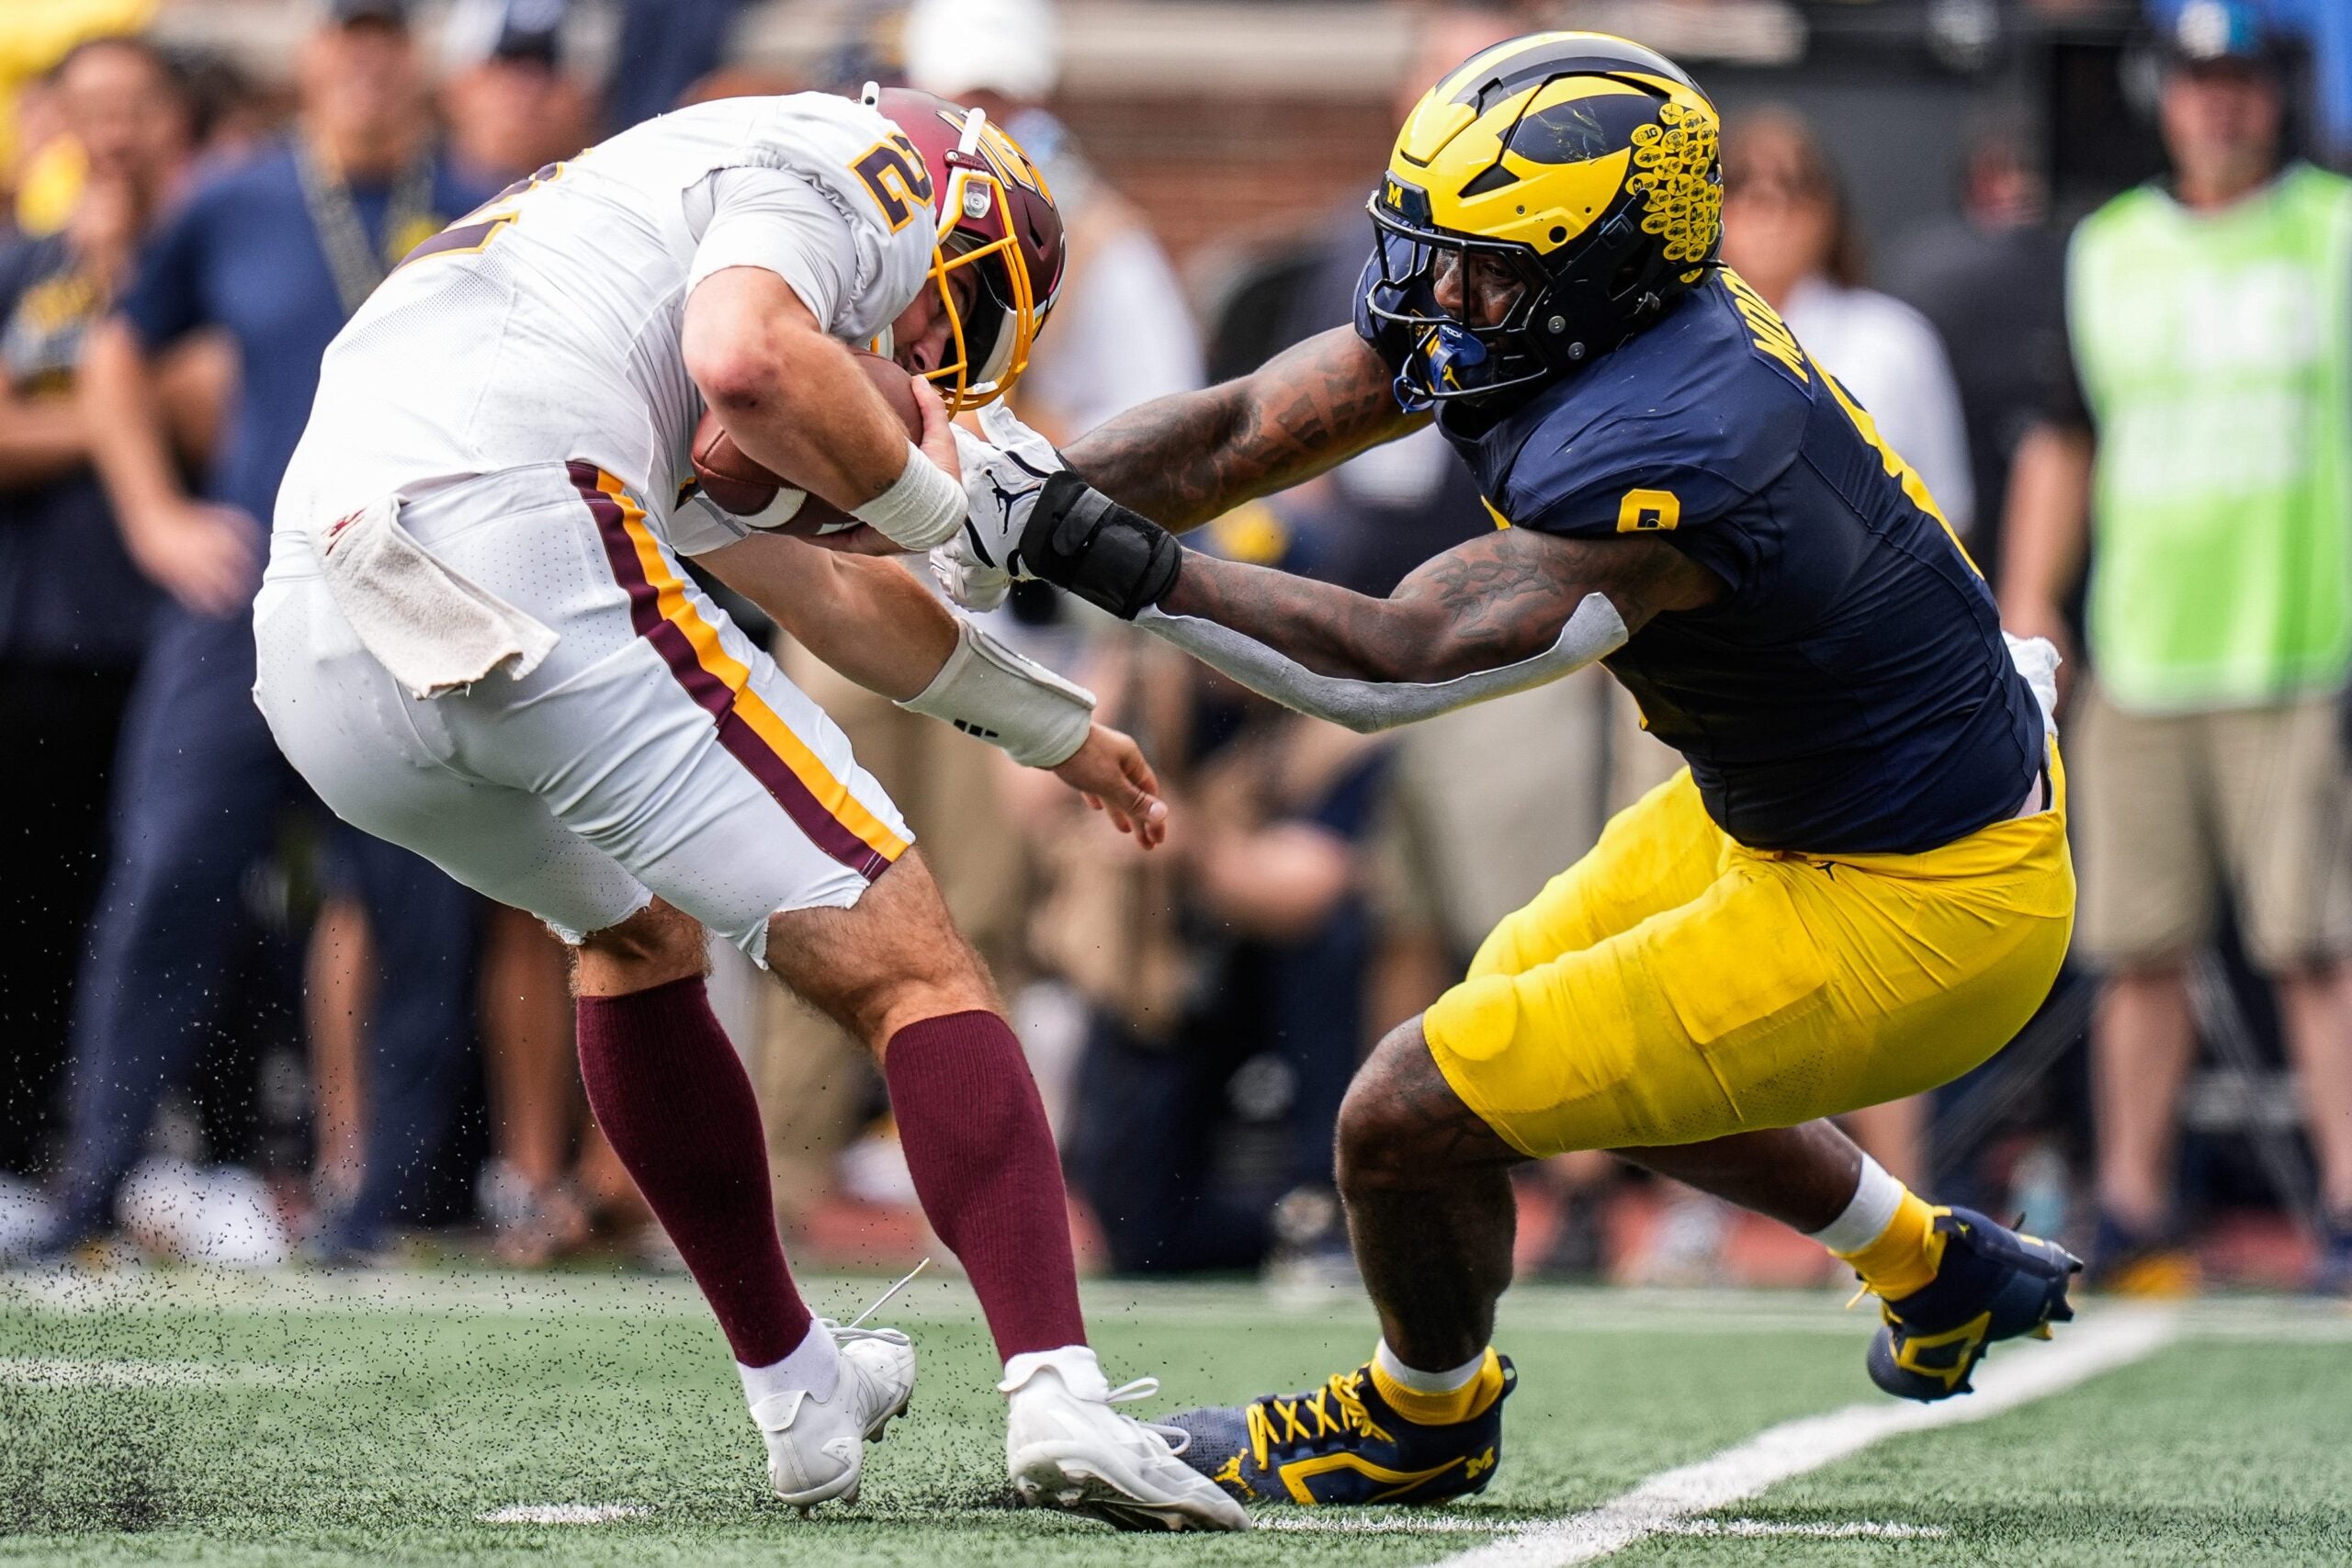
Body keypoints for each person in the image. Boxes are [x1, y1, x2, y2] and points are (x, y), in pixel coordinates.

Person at [933, 31, 2080, 1507]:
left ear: (1600, 272)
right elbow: (1233, 433)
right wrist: (988, 495)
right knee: (1544, 1044)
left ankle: (1421, 1418)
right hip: (1794, 807)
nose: (1436, 297)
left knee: (1406, 1110)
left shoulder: (1674, 438)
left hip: (1929, 899)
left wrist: (1094, 552)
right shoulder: (1564, 312)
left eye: (1479, 268)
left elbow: (1390, 660)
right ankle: (1933, 1266)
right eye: (1428, 253)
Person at [253, 79, 1242, 1530]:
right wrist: (950, 508)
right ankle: (1059, 1391)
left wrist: (1051, 725)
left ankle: (799, 1389)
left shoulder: (613, 245)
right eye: (931, 338)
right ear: (957, 213)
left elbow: (828, 586)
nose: (915, 364)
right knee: (913, 965)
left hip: (321, 639)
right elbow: (752, 360)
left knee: (638, 934)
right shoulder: (840, 166)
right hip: (521, 532)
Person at [40, 0, 492, 1264]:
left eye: (391, 31)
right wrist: (152, 516)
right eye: (348, 29)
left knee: (413, 898)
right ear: (314, 53)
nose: (367, 53)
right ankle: (93, 1188)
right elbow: (119, 347)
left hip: (407, 601)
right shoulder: (237, 197)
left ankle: (376, 1207)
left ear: (423, 55)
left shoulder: (479, 204)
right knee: (166, 875)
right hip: (242, 595)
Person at [2000, 0, 2352, 1296]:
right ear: (2164, 90)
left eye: (2242, 79)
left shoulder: (2335, 231)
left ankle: (2349, 1204)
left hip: (2299, 645)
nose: (2220, 104)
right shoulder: (2110, 248)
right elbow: (2064, 435)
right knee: (2133, 947)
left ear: (2276, 92)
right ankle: (2136, 1201)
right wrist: (2034, 610)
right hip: (2143, 649)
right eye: (2199, 79)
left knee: (2316, 940)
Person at [0, 34, 188, 1180]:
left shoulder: (214, 252)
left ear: (175, 122)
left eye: (137, 108)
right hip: (44, 635)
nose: (114, 132)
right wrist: (127, 421)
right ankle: (28, 1154)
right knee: (31, 899)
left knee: (175, 889)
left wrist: (77, 412)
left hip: (183, 627)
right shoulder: (26, 264)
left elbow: (228, 413)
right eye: (93, 109)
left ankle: (178, 1146)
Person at [1719, 106, 1974, 540]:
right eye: (1744, 185)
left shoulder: (1896, 342)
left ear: (1829, 212)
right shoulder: (1663, 343)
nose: (1771, 210)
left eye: (1795, 186)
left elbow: (1948, 515)